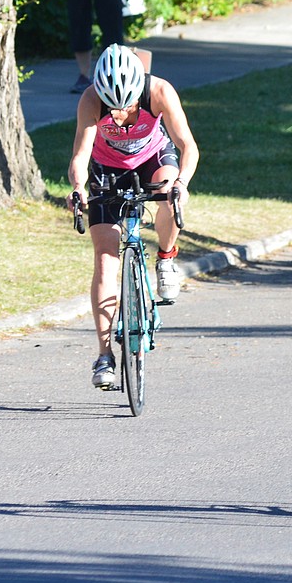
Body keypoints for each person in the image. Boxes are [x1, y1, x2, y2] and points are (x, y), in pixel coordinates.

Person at [67, 44, 199, 389]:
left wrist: (182, 183)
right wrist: (79, 188)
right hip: (106, 169)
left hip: (153, 158)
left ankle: (167, 259)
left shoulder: (158, 91)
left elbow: (188, 145)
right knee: (106, 259)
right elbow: (80, 155)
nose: (122, 113)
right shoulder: (91, 100)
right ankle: (104, 355)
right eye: (115, 107)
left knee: (168, 194)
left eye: (128, 104)